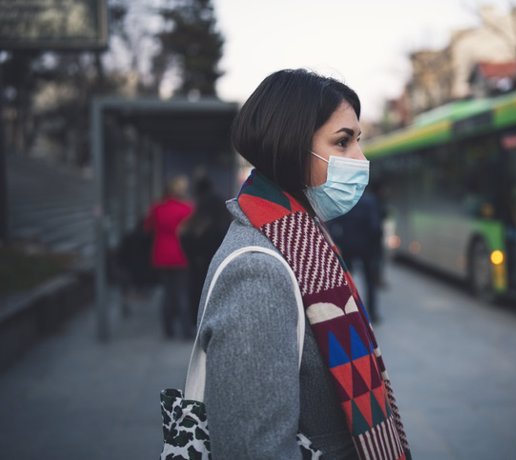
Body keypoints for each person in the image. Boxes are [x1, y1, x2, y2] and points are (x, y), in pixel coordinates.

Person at [195, 69, 411, 459]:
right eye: (343, 142)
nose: (361, 159)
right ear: (291, 146)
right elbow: (253, 449)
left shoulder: (302, 238)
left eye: (358, 141)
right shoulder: (258, 271)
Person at [145, 175, 194, 338]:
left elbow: (147, 227)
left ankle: (168, 330)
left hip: (161, 254)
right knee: (182, 293)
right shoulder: (187, 208)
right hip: (181, 254)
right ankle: (186, 331)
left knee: (167, 293)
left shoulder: (157, 208)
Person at [180, 174, 232, 329]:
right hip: (218, 249)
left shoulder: (202, 204)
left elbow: (194, 230)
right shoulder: (219, 202)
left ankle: (197, 319)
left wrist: (193, 253)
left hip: (201, 255)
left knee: (197, 287)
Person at [328, 190, 383, 322]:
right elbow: (375, 227)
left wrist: (338, 242)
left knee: (346, 281)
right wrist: (376, 247)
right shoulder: (370, 200)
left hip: (347, 247)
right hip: (367, 248)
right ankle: (372, 314)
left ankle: (349, 313)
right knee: (369, 281)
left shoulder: (344, 199)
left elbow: (333, 223)